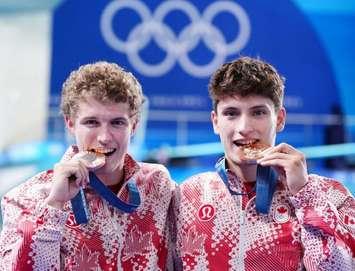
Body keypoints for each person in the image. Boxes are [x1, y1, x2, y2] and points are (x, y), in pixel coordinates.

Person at [173, 57, 355, 270]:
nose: (244, 127)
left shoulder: (331, 195)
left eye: (258, 112)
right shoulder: (186, 196)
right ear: (215, 122)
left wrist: (306, 196)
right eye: (231, 113)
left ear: (279, 119)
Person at [0, 61, 175, 270]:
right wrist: (54, 206)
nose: (104, 137)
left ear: (134, 126)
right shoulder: (27, 198)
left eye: (117, 123)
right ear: (70, 123)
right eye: (91, 122)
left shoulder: (158, 186)